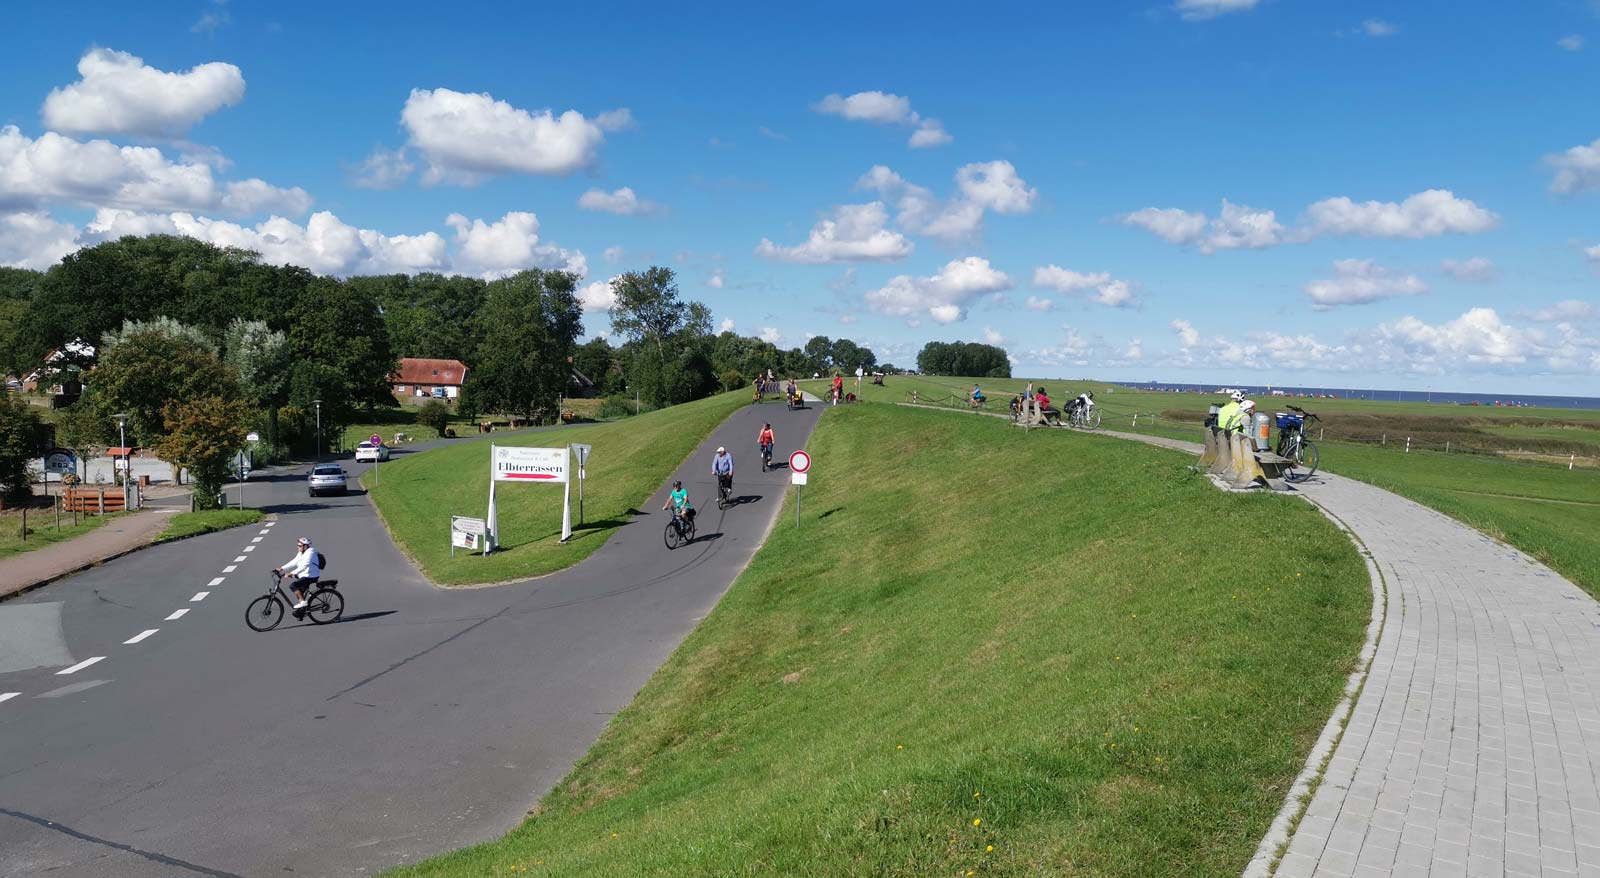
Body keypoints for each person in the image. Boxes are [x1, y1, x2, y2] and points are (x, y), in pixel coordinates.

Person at [274, 537, 321, 610]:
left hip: (311, 575)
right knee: (299, 591)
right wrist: (282, 568)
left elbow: (304, 566)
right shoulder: (301, 553)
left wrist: (292, 573)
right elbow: (294, 562)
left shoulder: (310, 552)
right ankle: (302, 610)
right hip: (304, 574)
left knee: (293, 586)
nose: (298, 547)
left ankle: (303, 602)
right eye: (297, 545)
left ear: (305, 546)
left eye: (299, 546)